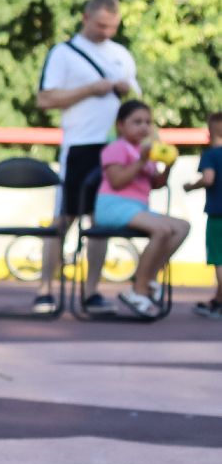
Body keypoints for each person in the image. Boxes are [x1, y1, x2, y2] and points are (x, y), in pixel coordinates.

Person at [35, 0, 138, 316]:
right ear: (86, 18)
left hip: (114, 147)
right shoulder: (64, 53)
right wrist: (89, 89)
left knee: (101, 221)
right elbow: (44, 99)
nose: (107, 31)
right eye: (101, 25)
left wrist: (124, 90)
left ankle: (92, 291)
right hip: (81, 144)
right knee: (65, 216)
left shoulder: (121, 54)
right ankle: (45, 289)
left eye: (113, 26)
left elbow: (136, 101)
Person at [95, 101, 188, 318]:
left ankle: (148, 278)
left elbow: (156, 184)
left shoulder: (145, 150)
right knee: (162, 230)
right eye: (137, 122)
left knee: (182, 227)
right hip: (112, 206)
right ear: (120, 125)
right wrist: (141, 160)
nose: (144, 127)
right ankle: (137, 290)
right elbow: (117, 181)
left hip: (138, 207)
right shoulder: (116, 148)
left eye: (148, 122)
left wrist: (168, 166)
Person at [185, 112, 222, 318]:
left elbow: (208, 179)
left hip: (218, 214)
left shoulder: (211, 155)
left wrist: (191, 186)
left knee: (219, 259)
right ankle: (217, 300)